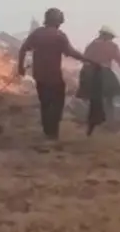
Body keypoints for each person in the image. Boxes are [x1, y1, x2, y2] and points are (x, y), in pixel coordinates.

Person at [17, 8, 90, 140]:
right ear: (58, 20)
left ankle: (47, 132)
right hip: (54, 77)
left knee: (45, 104)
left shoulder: (37, 34)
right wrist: (86, 59)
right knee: (57, 104)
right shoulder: (59, 36)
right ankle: (53, 133)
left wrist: (20, 67)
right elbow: (71, 52)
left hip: (39, 75)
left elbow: (23, 49)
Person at [78, 25, 120, 122]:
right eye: (111, 37)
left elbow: (84, 60)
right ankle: (109, 120)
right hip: (103, 73)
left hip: (88, 73)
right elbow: (119, 60)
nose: (111, 39)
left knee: (93, 99)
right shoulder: (111, 46)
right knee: (109, 98)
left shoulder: (91, 45)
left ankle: (93, 119)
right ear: (106, 35)